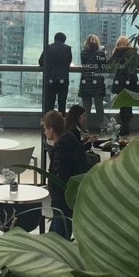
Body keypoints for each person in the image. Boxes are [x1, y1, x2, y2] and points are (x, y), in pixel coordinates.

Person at [42, 110, 89, 239]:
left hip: (62, 203)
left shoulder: (60, 151)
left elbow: (60, 178)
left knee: (58, 238)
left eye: (45, 129)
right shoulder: (70, 141)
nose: (45, 132)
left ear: (51, 129)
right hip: (69, 201)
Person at [107, 35, 139, 135]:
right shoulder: (133, 52)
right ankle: (126, 124)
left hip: (120, 83)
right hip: (132, 82)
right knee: (128, 104)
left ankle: (124, 127)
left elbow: (109, 65)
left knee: (123, 105)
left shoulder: (118, 52)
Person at [78, 34, 107, 132]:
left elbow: (83, 64)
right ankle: (101, 126)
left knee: (86, 107)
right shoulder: (101, 53)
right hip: (97, 81)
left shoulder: (83, 53)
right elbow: (104, 65)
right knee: (99, 105)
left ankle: (85, 127)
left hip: (86, 80)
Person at [39, 32, 73, 113]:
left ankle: (49, 122)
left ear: (55, 39)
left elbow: (41, 62)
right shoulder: (67, 49)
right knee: (62, 103)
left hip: (50, 79)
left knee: (49, 104)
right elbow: (69, 62)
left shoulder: (48, 48)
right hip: (63, 79)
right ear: (64, 40)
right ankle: (61, 122)